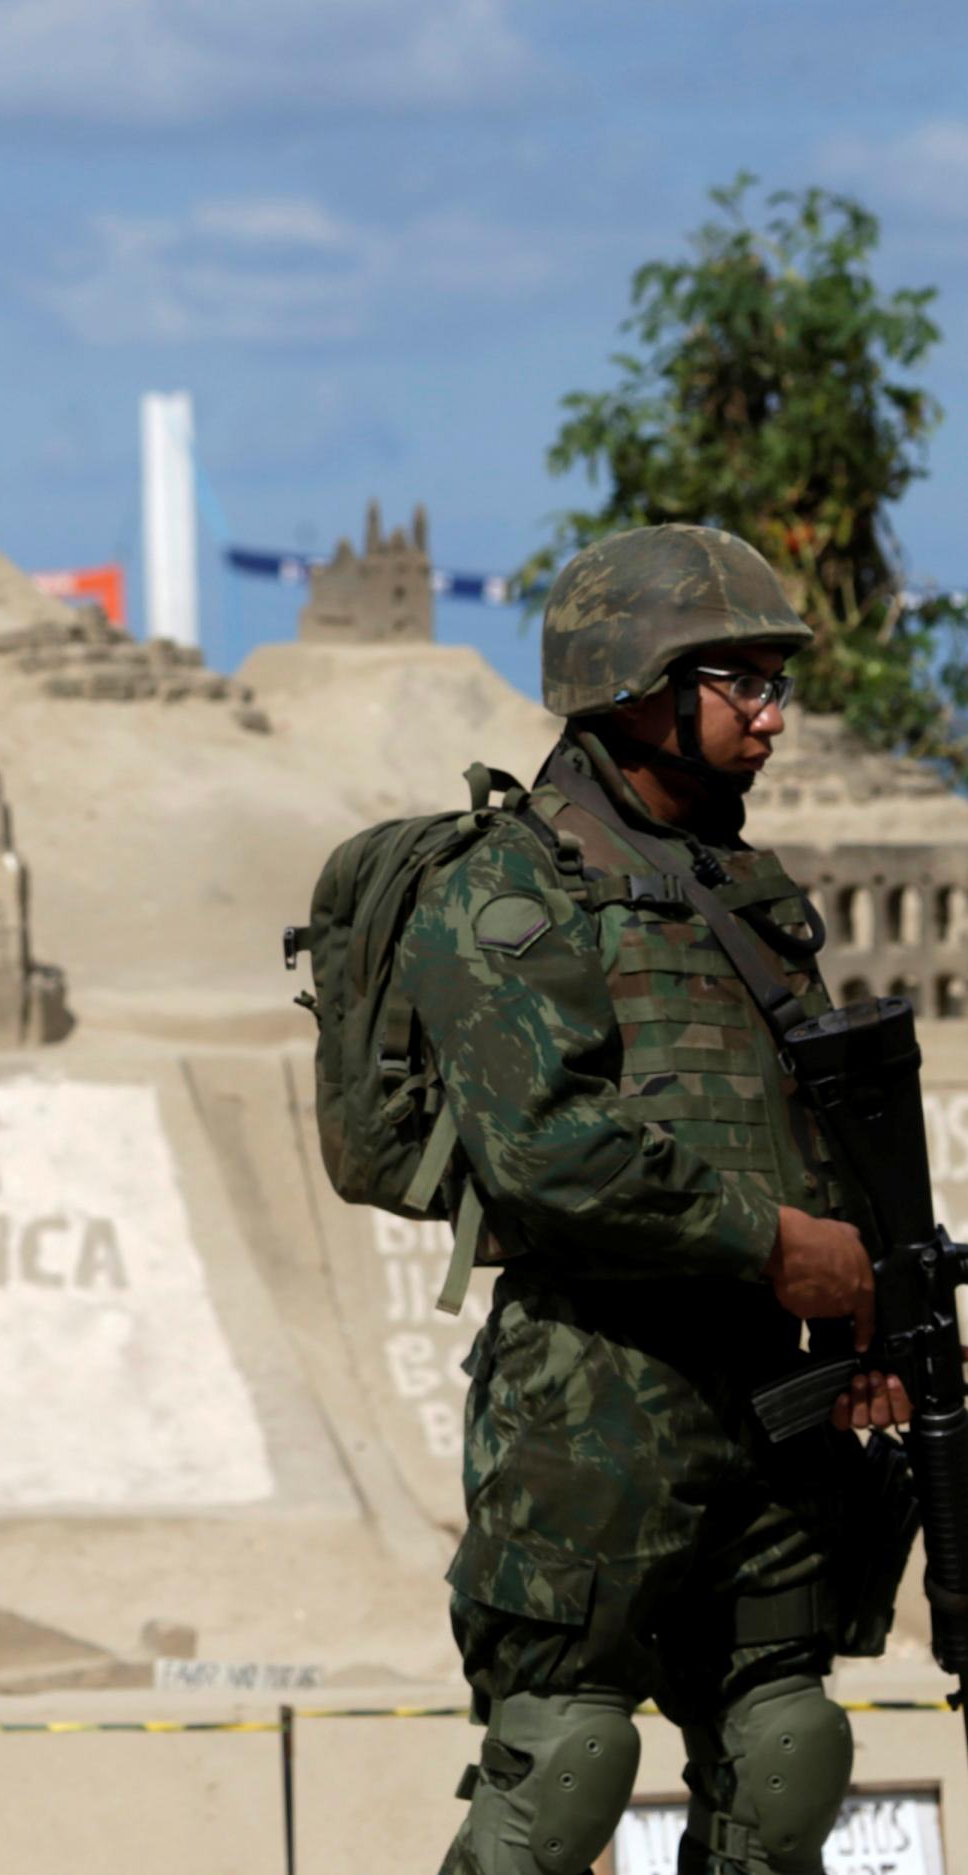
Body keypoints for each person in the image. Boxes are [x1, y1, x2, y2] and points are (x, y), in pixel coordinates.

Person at [406, 523, 904, 1875]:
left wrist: (874, 1313)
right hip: (594, 1401)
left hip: (772, 1396)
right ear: (638, 687)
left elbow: (816, 1137)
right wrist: (775, 1246)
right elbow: (548, 1150)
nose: (774, 715)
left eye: (769, 683)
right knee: (565, 1767)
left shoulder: (748, 892)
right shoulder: (502, 886)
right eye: (741, 681)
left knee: (789, 1755)